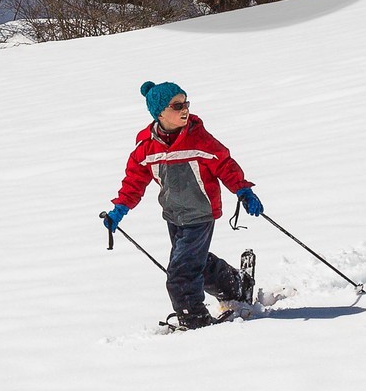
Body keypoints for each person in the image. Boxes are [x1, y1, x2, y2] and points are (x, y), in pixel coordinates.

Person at [103, 80, 264, 328]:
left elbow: (224, 164)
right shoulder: (146, 147)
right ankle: (236, 285)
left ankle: (195, 320)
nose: (185, 109)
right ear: (159, 113)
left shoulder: (198, 139)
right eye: (177, 105)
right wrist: (119, 209)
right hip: (173, 215)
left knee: (180, 274)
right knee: (194, 262)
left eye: (186, 103)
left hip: (201, 214)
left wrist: (243, 190)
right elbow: (134, 180)